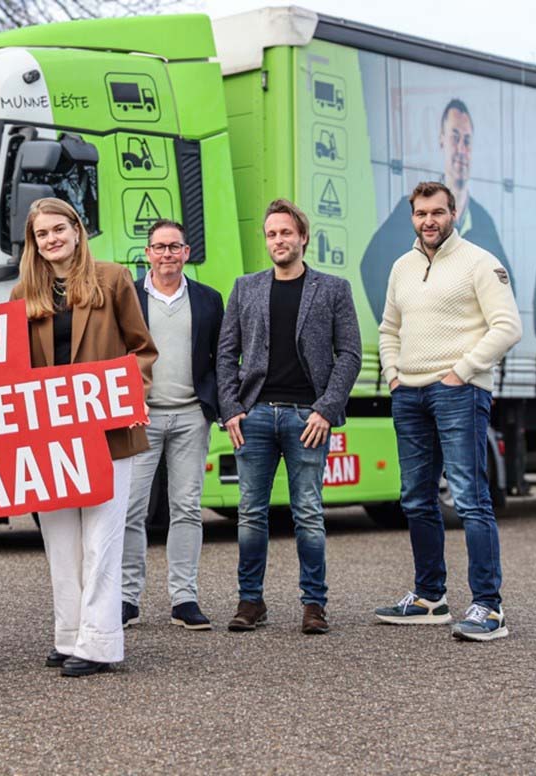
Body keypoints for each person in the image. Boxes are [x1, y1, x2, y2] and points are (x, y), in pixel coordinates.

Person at [12, 197, 157, 677]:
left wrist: (131, 396)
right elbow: (8, 369)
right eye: (42, 234)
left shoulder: (113, 279)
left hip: (108, 433)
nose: (51, 239)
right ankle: (69, 634)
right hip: (50, 439)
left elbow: (142, 349)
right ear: (34, 243)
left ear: (77, 230)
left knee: (101, 541)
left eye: (59, 229)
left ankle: (99, 643)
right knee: (60, 543)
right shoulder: (21, 295)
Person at [373, 181, 522, 641]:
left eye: (437, 212)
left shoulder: (480, 262)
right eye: (421, 214)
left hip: (459, 392)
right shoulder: (402, 267)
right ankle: (429, 598)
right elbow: (389, 329)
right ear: (412, 217)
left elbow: (508, 326)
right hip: (409, 395)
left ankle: (488, 608)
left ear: (452, 213)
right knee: (416, 499)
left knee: (470, 498)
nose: (429, 221)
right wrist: (393, 375)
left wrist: (462, 371)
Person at [217, 199, 361, 636]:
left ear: (303, 237)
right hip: (256, 416)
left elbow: (349, 354)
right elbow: (226, 353)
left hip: (308, 419)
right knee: (250, 513)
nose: (278, 240)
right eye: (271, 234)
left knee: (309, 513)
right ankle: (250, 602)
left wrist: (326, 409)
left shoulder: (333, 289)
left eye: (285, 233)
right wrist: (231, 409)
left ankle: (314, 605)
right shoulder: (245, 287)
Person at [121, 218, 223, 631]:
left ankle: (184, 598)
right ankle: (126, 599)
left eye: (174, 246)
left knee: (187, 508)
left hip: (190, 416)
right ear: (147, 253)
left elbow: (220, 357)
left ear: (186, 252)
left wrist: (215, 406)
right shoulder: (128, 297)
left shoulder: (208, 300)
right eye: (159, 247)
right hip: (140, 417)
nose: (167, 254)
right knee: (130, 510)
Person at [361, 98, 513, 323]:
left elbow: (509, 289)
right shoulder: (409, 209)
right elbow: (370, 265)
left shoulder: (483, 221)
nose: (461, 149)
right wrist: (403, 327)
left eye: (467, 141)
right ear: (442, 140)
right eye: (454, 138)